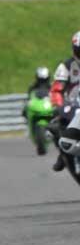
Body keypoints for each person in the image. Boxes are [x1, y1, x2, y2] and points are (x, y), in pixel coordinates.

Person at [49, 31, 80, 172]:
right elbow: (56, 89)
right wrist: (58, 105)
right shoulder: (66, 66)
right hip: (72, 104)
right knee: (54, 126)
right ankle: (62, 154)